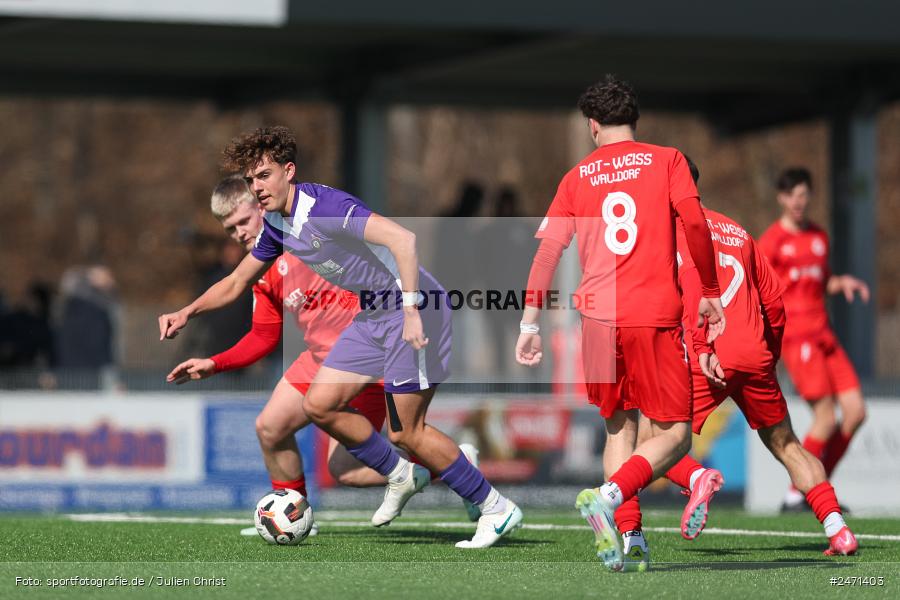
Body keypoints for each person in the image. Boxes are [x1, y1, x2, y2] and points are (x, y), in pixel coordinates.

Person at [159, 127, 521, 548]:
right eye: (252, 179)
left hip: (414, 309)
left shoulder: (327, 207)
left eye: (264, 176)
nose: (257, 188)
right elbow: (237, 280)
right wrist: (186, 311)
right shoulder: (277, 223)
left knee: (408, 433)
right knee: (318, 405)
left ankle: (495, 507)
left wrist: (409, 311)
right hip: (373, 316)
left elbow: (404, 240)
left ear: (288, 172)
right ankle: (402, 474)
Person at [515, 75, 725, 571]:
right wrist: (710, 293)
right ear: (635, 119)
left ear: (592, 126)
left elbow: (547, 254)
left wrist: (529, 323)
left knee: (618, 429)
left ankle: (630, 540)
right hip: (651, 315)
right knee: (675, 436)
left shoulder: (576, 177)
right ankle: (611, 498)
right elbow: (695, 224)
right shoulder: (668, 159)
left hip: (596, 320)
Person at [613, 158, 858, 571]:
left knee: (651, 443)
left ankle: (689, 481)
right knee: (788, 445)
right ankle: (839, 530)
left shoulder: (669, 235)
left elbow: (678, 302)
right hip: (756, 354)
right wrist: (768, 356)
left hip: (707, 354)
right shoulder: (738, 230)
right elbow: (775, 303)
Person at [167, 177, 412, 537]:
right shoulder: (263, 271)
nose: (237, 233)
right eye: (229, 228)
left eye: (242, 221)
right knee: (271, 427)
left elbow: (381, 246)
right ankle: (293, 512)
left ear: (263, 207)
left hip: (363, 355)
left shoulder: (309, 236)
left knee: (349, 468)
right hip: (319, 360)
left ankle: (447, 465)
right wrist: (214, 362)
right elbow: (263, 337)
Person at [758, 168, 869, 512]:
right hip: (797, 337)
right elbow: (759, 290)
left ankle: (818, 487)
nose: (798, 202)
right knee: (826, 417)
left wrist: (841, 283)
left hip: (824, 334)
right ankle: (796, 494)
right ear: (781, 197)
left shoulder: (818, 237)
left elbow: (819, 283)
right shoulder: (771, 242)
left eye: (803, 195)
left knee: (855, 412)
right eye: (792, 195)